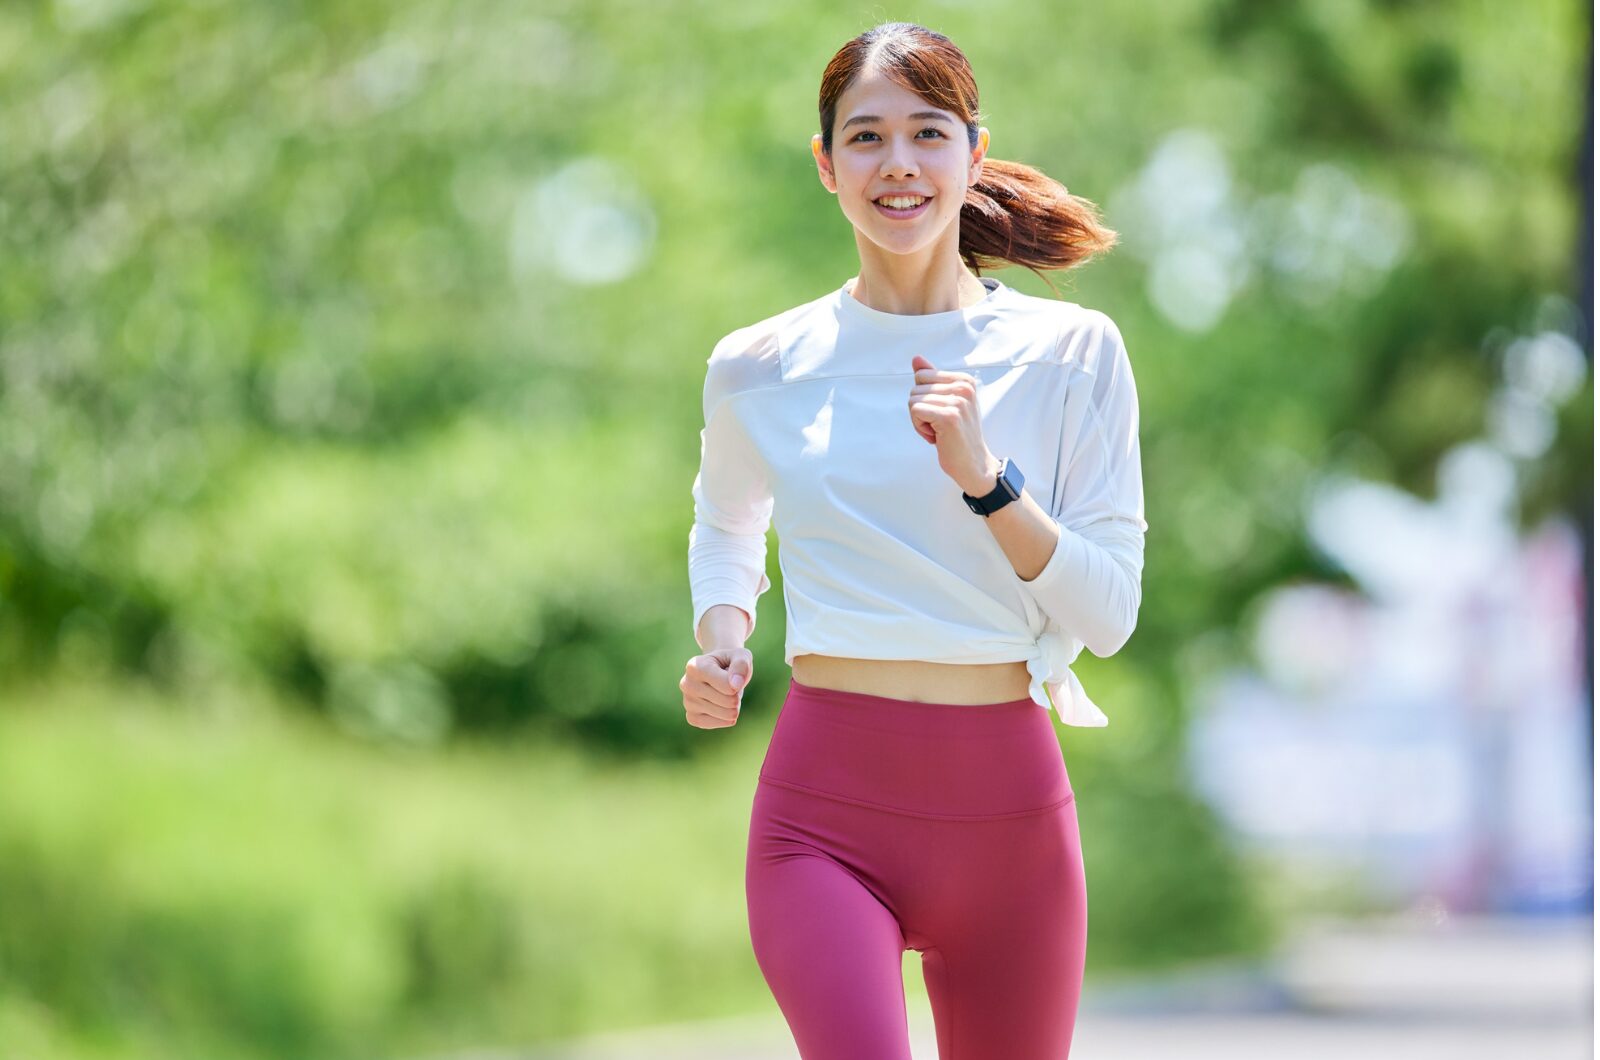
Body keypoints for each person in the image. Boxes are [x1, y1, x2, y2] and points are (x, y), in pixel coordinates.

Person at [680, 20, 1147, 1060]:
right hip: (822, 818)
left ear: (973, 153)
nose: (898, 164)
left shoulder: (1070, 354)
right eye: (866, 138)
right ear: (826, 166)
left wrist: (987, 481)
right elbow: (727, 520)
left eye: (928, 133)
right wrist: (721, 635)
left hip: (1010, 824)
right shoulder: (758, 365)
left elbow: (1108, 615)